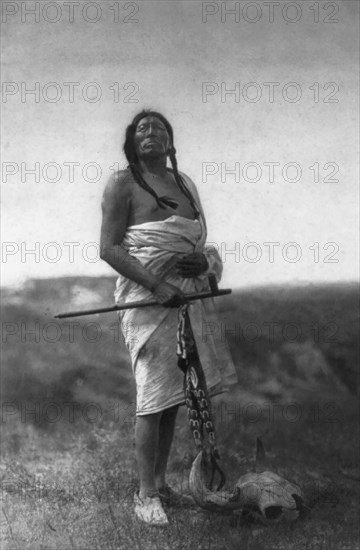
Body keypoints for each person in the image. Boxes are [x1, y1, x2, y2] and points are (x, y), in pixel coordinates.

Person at [100, 110, 237, 526]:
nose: (151, 132)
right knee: (151, 397)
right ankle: (144, 496)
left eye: (159, 127)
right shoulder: (122, 183)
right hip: (147, 300)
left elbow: (199, 239)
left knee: (174, 394)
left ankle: (159, 484)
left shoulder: (185, 184)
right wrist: (158, 286)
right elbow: (110, 248)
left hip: (188, 299)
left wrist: (201, 262)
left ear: (170, 141)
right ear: (132, 141)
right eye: (142, 128)